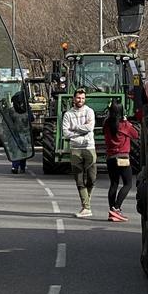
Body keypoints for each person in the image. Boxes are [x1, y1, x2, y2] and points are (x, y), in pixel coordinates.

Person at [61, 88, 96, 218]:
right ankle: (86, 207)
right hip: (75, 148)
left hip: (89, 147)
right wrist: (83, 130)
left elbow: (90, 128)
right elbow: (66, 133)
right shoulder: (68, 114)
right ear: (74, 98)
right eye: (78, 98)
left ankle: (86, 200)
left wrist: (74, 128)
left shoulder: (89, 111)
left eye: (82, 98)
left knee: (92, 178)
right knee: (79, 178)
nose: (80, 100)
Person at [102, 102, 138, 222]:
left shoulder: (106, 124)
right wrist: (127, 121)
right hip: (122, 157)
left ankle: (111, 211)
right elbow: (136, 135)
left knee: (114, 184)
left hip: (110, 158)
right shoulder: (124, 125)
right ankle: (116, 208)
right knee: (128, 184)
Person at [10, 88, 30, 174]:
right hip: (17, 133)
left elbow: (31, 119)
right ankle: (16, 166)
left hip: (24, 133)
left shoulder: (26, 109)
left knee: (22, 150)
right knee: (17, 150)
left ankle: (20, 167)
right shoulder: (12, 110)